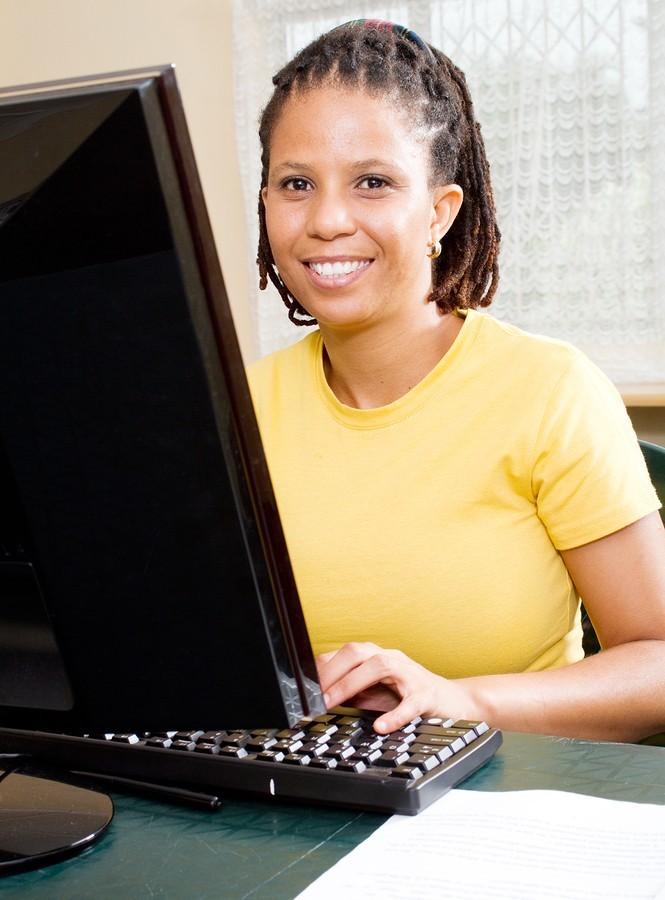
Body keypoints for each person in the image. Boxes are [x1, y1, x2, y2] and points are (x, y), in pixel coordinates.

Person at [248, 19, 665, 743]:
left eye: (372, 182)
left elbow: (655, 661)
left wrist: (462, 702)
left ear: (439, 211)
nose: (326, 219)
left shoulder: (549, 392)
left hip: (505, 813)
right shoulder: (234, 410)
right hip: (297, 813)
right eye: (296, 184)